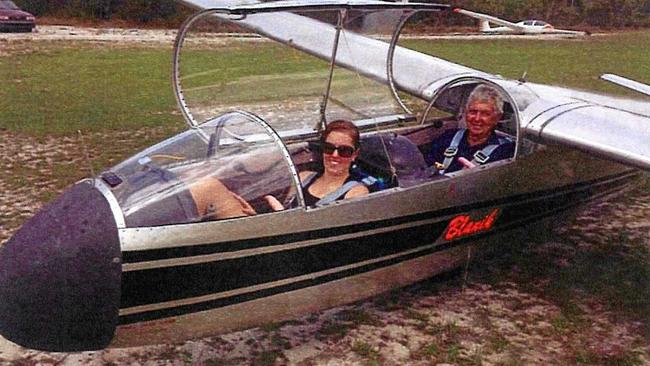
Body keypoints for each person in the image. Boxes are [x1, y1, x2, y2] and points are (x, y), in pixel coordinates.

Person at [265, 119, 369, 210]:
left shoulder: (357, 193)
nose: (335, 155)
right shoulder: (302, 178)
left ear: (354, 155)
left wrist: (281, 214)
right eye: (329, 148)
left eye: (344, 151)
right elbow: (287, 210)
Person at [423, 84, 515, 174]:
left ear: (497, 118)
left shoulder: (505, 151)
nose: (477, 118)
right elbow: (423, 166)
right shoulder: (448, 138)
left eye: (485, 114)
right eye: (473, 112)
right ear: (466, 113)